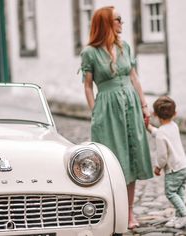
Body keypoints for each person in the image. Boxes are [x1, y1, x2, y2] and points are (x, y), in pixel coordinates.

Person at [80, 6, 153, 229]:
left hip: (130, 104)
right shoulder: (90, 52)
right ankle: (111, 212)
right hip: (108, 109)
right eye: (117, 19)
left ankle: (129, 213)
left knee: (131, 159)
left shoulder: (125, 46)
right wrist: (95, 113)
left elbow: (134, 77)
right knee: (113, 160)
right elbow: (88, 87)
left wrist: (144, 105)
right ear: (105, 23)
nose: (122, 23)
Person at [147, 96, 186, 229]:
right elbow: (162, 134)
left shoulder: (161, 133)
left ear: (156, 115)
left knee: (170, 193)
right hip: (183, 166)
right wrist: (150, 128)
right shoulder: (174, 126)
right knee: (180, 192)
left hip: (173, 169)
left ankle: (184, 215)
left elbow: (162, 156)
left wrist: (158, 167)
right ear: (174, 114)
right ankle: (180, 217)